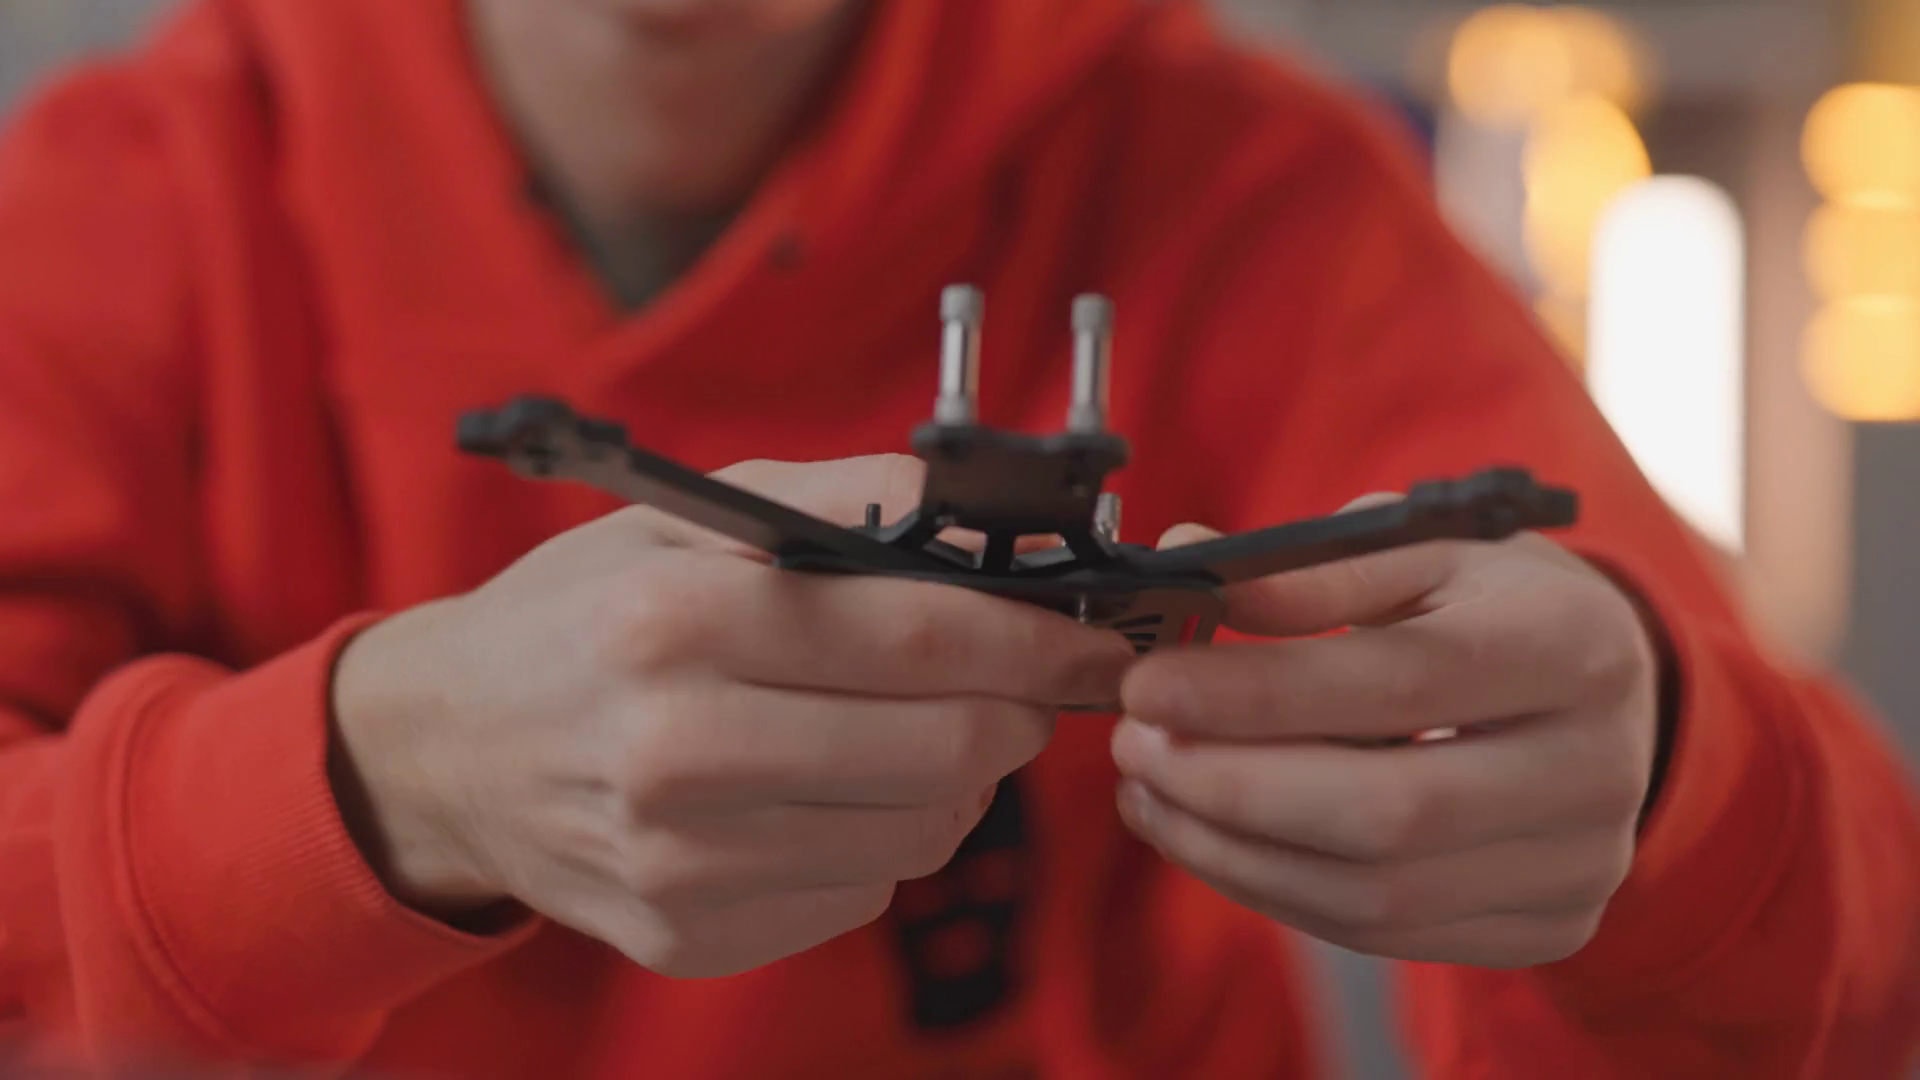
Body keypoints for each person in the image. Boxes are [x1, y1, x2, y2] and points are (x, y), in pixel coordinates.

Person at [0, 0, 1914, 1075]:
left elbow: (1854, 935)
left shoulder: (1237, 185)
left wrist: (1664, 792)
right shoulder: (117, 208)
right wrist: (367, 785)